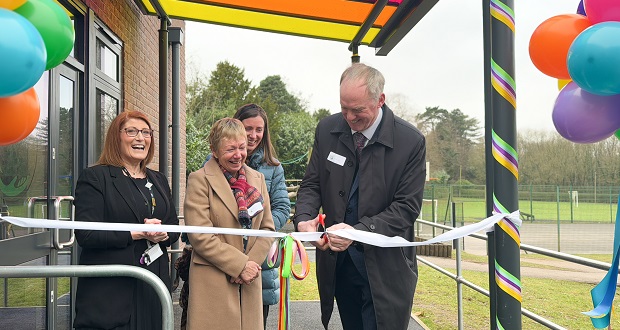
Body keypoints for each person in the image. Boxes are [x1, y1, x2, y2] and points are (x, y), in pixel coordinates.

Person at [294, 63, 426, 330]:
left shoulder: (411, 142)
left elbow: (406, 208)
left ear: (380, 100)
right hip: (340, 266)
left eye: (358, 111)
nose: (350, 118)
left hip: (385, 269)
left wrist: (358, 231)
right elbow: (312, 184)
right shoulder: (327, 129)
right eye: (344, 108)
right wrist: (305, 218)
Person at [73, 110, 180, 330]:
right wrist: (138, 233)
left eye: (146, 132)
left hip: (153, 287)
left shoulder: (158, 179)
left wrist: (163, 234)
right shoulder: (95, 178)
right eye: (131, 131)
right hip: (111, 292)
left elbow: (174, 229)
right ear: (116, 137)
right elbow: (86, 234)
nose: (140, 138)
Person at [184, 118, 276, 330]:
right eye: (230, 149)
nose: (238, 155)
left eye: (242, 148)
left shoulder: (258, 179)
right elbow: (200, 236)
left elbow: (268, 228)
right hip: (214, 281)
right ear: (214, 151)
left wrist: (250, 266)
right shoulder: (199, 180)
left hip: (250, 280)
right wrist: (239, 266)